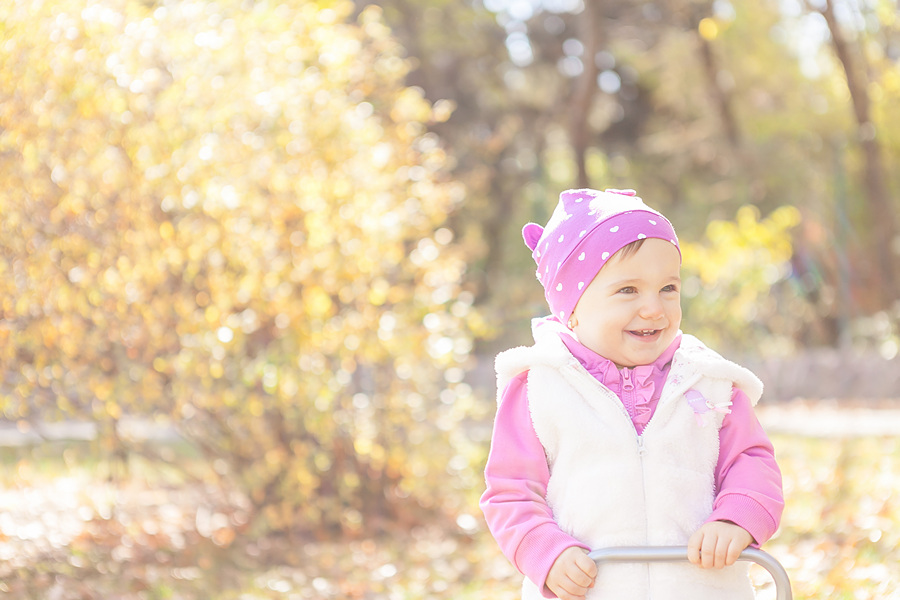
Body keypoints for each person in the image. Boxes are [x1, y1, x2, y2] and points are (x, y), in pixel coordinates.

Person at [480, 188, 784, 600]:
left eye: (668, 288)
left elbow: (751, 461)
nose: (654, 309)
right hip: (593, 587)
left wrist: (736, 520)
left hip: (700, 587)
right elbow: (511, 489)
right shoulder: (540, 387)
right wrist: (545, 553)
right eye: (628, 291)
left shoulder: (708, 381)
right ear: (572, 307)